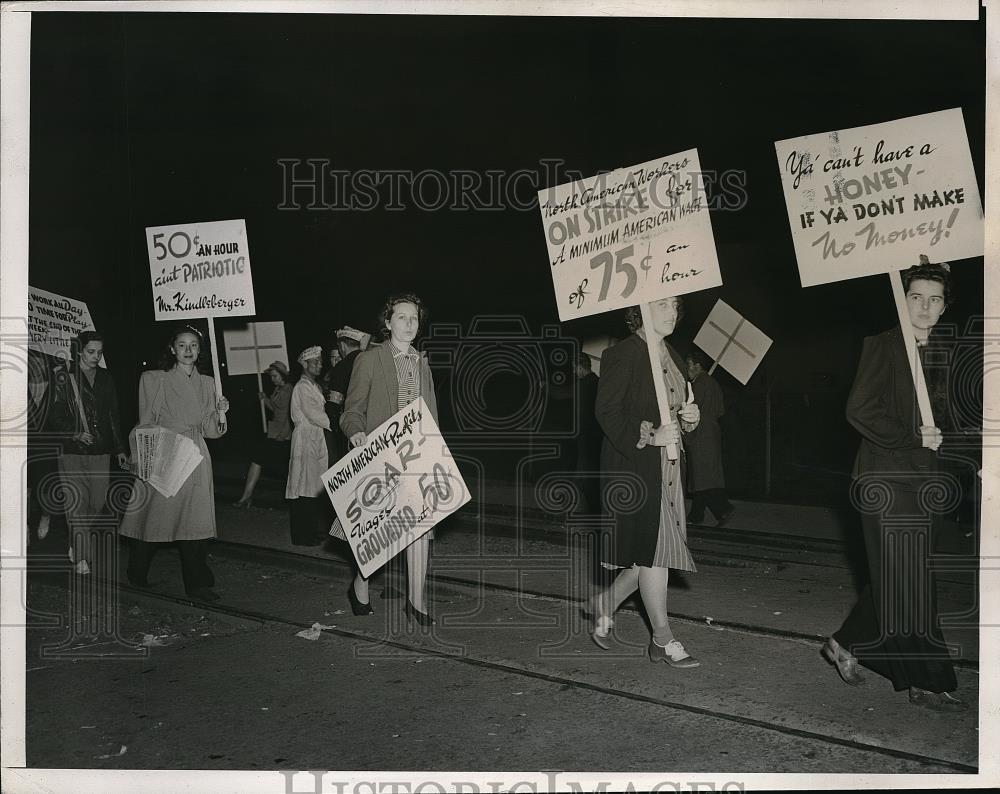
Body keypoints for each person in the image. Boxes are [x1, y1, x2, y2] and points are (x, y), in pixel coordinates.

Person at [824, 258, 967, 712]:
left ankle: (846, 642)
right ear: (902, 301)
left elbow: (950, 417)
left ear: (944, 308)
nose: (925, 307)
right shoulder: (883, 346)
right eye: (916, 297)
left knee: (909, 577)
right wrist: (911, 435)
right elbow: (859, 410)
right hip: (883, 480)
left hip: (925, 482)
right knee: (902, 580)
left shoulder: (943, 350)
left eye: (934, 299)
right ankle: (924, 680)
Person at [589, 298, 701, 666]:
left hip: (668, 472)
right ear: (640, 309)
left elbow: (676, 409)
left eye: (675, 306)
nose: (673, 312)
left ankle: (605, 603)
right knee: (657, 555)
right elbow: (607, 411)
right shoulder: (623, 354)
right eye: (663, 305)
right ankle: (663, 640)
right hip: (636, 468)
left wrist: (690, 418)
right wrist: (651, 437)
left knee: (649, 554)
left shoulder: (670, 353)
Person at [334, 293, 439, 625]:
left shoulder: (422, 363)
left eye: (414, 318)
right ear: (388, 322)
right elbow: (351, 410)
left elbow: (431, 413)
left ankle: (416, 601)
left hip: (416, 457)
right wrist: (354, 431)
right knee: (377, 532)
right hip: (380, 457)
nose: (409, 324)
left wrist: (437, 453)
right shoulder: (370, 359)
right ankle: (360, 586)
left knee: (420, 528)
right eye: (402, 317)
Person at [118, 325, 229, 600]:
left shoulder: (208, 382)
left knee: (196, 522)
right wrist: (144, 458)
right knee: (156, 519)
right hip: (167, 452)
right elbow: (146, 421)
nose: (188, 350)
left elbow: (209, 429)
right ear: (172, 349)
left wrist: (220, 414)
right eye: (182, 345)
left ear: (200, 350)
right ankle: (138, 568)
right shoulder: (156, 379)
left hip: (197, 456)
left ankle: (197, 583)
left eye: (193, 345)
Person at [48, 331, 128, 573]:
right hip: (72, 450)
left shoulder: (106, 378)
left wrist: (120, 448)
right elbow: (53, 414)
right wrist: (74, 432)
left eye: (100, 352)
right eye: (91, 351)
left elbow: (113, 415)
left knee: (98, 501)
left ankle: (75, 539)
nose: (96, 356)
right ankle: (83, 558)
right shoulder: (64, 377)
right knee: (76, 502)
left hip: (101, 450)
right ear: (79, 350)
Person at [285, 346, 331, 545]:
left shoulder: (314, 386)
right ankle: (303, 535)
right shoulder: (302, 387)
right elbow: (314, 414)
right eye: (315, 362)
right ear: (305, 364)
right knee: (304, 486)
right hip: (306, 439)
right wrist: (336, 424)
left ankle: (312, 530)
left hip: (315, 437)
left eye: (321, 362)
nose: (320, 365)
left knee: (312, 486)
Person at [684, 348, 734, 527]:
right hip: (712, 432)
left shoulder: (698, 384)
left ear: (698, 366)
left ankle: (722, 509)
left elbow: (690, 410)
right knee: (704, 476)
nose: (686, 368)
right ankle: (697, 515)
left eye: (689, 365)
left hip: (699, 433)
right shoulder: (713, 383)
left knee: (702, 476)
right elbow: (720, 411)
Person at [234, 361, 292, 508]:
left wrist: (284, 433)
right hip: (274, 434)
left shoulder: (288, 390)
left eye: (275, 376)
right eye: (271, 376)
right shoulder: (278, 389)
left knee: (265, 462)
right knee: (258, 460)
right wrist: (264, 398)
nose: (272, 379)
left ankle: (247, 497)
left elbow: (289, 414)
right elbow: (275, 408)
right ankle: (246, 497)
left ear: (283, 375)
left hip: (282, 435)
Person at [324, 326, 369, 464]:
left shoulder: (341, 367)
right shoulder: (371, 362)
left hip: (352, 430)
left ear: (342, 345)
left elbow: (333, 406)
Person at [573, 352, 602, 515]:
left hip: (585, 436)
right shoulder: (597, 382)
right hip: (595, 436)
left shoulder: (583, 385)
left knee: (586, 475)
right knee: (584, 474)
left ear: (579, 367)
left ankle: (591, 511)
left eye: (574, 368)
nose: (573, 372)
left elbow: (581, 414)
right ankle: (580, 509)